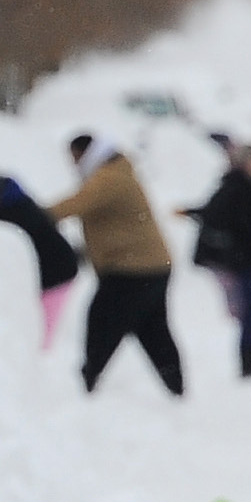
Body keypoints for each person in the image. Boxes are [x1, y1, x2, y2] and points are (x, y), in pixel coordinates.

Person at [46, 133, 183, 395]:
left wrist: (36, 217)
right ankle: (175, 387)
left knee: (102, 320)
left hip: (132, 268)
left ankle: (88, 380)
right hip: (150, 265)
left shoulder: (109, 176)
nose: (73, 165)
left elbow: (77, 204)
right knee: (152, 329)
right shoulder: (117, 170)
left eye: (74, 158)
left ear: (84, 153)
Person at [188, 135, 251, 379]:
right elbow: (249, 226)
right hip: (248, 260)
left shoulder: (243, 187)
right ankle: (248, 364)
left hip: (249, 259)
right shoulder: (240, 189)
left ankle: (250, 362)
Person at [0, 158, 84, 347]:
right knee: (35, 334)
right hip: (57, 269)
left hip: (56, 275)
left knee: (39, 339)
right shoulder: (14, 199)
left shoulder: (11, 215)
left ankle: (38, 370)